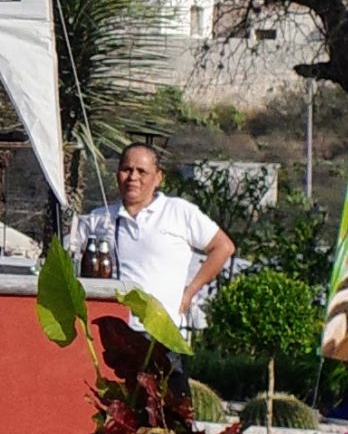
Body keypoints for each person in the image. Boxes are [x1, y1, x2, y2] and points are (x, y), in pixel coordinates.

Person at [74, 143, 234, 334]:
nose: (133, 177)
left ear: (158, 177)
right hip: (112, 331)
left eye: (142, 171)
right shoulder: (98, 218)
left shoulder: (178, 212)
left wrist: (189, 293)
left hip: (163, 332)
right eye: (127, 169)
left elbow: (223, 247)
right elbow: (69, 251)